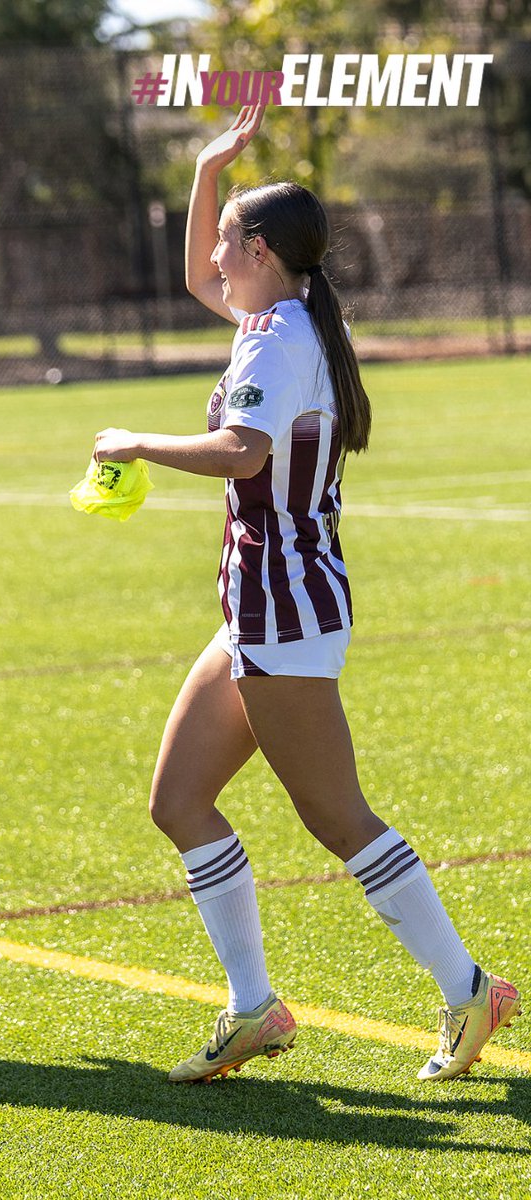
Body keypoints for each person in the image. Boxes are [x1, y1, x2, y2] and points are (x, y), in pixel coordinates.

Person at [92, 105, 520, 1084]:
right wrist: (207, 164)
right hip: (265, 602)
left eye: (226, 234)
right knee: (180, 799)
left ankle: (468, 987)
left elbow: (242, 450)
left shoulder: (277, 341)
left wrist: (135, 442)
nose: (213, 251)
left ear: (262, 251)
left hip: (283, 608)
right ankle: (254, 1008)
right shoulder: (278, 316)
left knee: (336, 817)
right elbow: (199, 277)